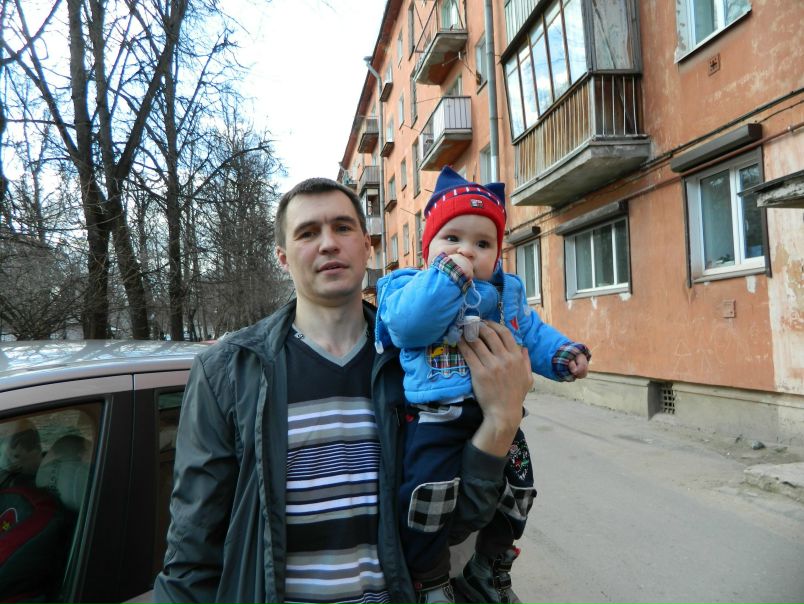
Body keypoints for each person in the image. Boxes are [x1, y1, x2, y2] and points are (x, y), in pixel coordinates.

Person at [154, 177, 534, 604]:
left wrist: (502, 422)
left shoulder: (422, 367)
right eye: (307, 233)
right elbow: (192, 549)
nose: (328, 243)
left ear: (367, 245)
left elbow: (459, 522)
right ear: (283, 257)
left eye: (342, 227)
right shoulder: (229, 371)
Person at [374, 166, 590, 604]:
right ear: (428, 247)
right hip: (436, 418)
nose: (466, 251)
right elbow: (409, 327)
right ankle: (429, 577)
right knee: (427, 497)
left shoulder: (507, 292)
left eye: (482, 243)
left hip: (501, 413)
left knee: (519, 491)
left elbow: (532, 333)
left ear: (498, 253)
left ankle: (491, 564)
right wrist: (447, 278)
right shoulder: (408, 285)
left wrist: (562, 354)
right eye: (452, 238)